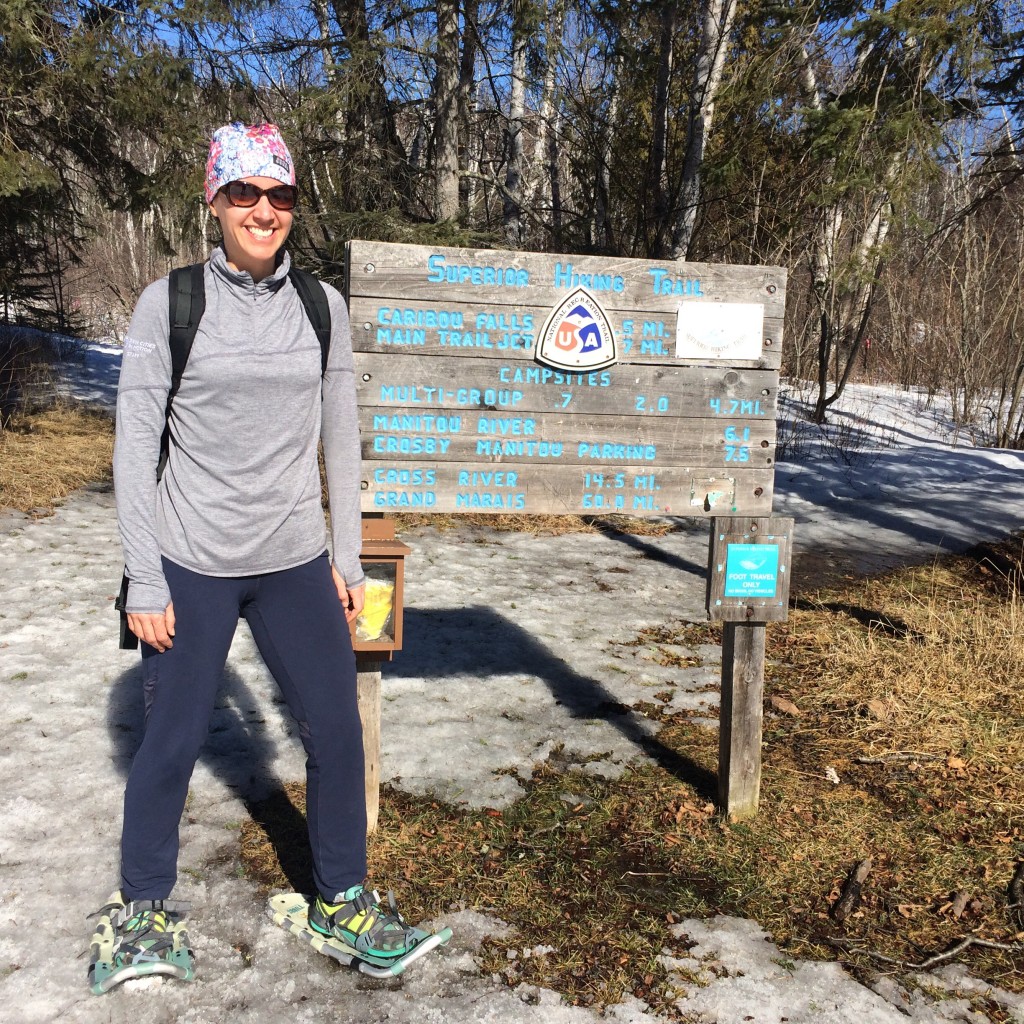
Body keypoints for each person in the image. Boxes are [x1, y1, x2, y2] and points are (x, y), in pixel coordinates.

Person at [105, 122, 411, 975]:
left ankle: (342, 900)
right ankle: (141, 913)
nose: (264, 210)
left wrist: (347, 562)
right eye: (244, 193)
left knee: (336, 733)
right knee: (168, 739)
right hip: (191, 560)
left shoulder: (322, 307)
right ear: (215, 201)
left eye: (279, 195)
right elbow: (134, 446)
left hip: (292, 560)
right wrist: (143, 576)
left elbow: (341, 439)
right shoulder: (168, 305)